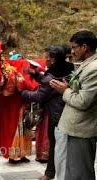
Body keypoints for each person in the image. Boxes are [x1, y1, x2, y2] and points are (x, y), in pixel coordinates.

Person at [21, 45, 74, 180]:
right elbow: (46, 81)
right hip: (69, 110)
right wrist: (36, 75)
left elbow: (39, 96)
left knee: (55, 145)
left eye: (48, 58)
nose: (46, 60)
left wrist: (22, 93)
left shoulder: (51, 76)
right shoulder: (70, 68)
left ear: (54, 60)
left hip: (56, 115)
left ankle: (50, 173)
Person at [50, 30, 97, 180]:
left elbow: (83, 101)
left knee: (80, 173)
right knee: (71, 171)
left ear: (84, 47)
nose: (72, 51)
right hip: (74, 127)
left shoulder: (94, 68)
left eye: (74, 47)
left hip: (81, 130)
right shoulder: (87, 64)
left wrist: (65, 91)